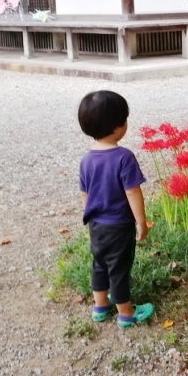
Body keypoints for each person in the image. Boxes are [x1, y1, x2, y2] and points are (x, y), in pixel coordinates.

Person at [77, 90, 154, 328]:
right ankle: (126, 313)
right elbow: (132, 192)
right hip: (119, 225)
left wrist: (90, 216)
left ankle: (100, 306)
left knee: (100, 264)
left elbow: (84, 193)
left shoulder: (86, 159)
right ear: (118, 126)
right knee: (118, 269)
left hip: (96, 224)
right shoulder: (123, 157)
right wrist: (141, 221)